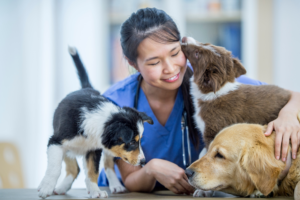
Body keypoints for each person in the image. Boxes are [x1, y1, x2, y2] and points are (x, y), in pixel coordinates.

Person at [98, 8, 300, 194]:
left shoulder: (211, 81)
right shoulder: (115, 102)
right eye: (154, 62)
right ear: (133, 63)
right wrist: (151, 169)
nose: (170, 68)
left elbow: (294, 97)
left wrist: (289, 114)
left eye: (175, 53)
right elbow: (130, 179)